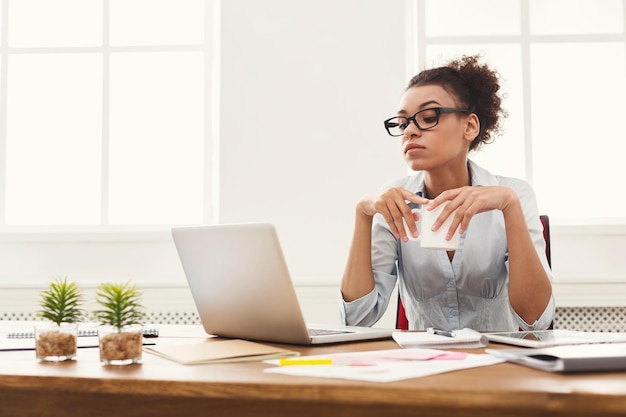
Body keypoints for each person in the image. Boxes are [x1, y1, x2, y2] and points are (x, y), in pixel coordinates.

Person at [340, 54, 554, 331]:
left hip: (500, 367)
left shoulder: (514, 194)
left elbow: (536, 321)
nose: (411, 131)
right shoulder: (393, 200)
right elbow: (357, 317)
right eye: (403, 123)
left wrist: (509, 206)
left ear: (470, 126)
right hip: (425, 367)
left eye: (428, 117)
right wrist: (363, 212)